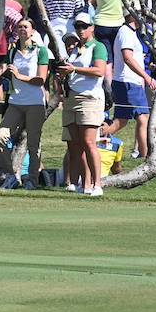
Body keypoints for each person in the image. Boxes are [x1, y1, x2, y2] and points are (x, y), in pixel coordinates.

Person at [0, 18, 49, 188]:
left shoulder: (41, 51)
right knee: (0, 137)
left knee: (33, 144)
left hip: (35, 103)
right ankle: (11, 175)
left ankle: (32, 180)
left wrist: (19, 76)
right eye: (19, 27)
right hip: (16, 102)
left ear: (33, 31)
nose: (22, 29)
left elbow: (41, 79)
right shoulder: (12, 51)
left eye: (26, 27)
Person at [57, 14, 107, 195]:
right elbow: (72, 73)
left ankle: (97, 185)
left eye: (84, 26)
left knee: (88, 142)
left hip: (89, 99)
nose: (81, 30)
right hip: (71, 99)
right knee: (74, 145)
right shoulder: (75, 49)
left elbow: (100, 70)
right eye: (78, 26)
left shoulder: (98, 46)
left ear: (92, 27)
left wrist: (74, 69)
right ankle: (81, 184)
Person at [109, 9, 156, 160]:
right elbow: (128, 58)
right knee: (143, 117)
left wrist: (145, 70)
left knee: (122, 121)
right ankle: (145, 156)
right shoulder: (126, 33)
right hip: (128, 81)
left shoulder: (131, 33)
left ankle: (97, 137)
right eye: (142, 14)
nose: (144, 18)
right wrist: (146, 77)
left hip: (130, 81)